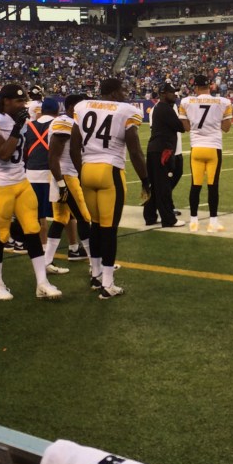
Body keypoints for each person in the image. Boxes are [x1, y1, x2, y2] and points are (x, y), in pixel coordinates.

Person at [0, 83, 62, 302]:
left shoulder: (20, 121)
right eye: (18, 101)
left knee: (33, 230)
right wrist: (17, 126)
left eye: (24, 100)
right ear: (5, 101)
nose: (23, 105)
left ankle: (42, 283)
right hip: (0, 184)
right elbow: (4, 153)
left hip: (21, 181)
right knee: (1, 236)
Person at [70, 78, 149, 300]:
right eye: (123, 89)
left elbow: (74, 145)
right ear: (114, 93)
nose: (126, 93)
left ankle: (95, 276)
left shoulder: (83, 106)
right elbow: (134, 150)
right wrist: (145, 179)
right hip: (110, 171)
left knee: (95, 226)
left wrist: (80, 171)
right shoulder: (126, 111)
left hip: (87, 170)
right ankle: (108, 284)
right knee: (109, 229)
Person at [179, 74, 233, 233]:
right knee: (213, 186)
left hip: (196, 148)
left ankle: (194, 221)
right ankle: (212, 222)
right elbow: (227, 127)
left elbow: (185, 126)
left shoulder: (186, 101)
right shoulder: (223, 102)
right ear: (210, 86)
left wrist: (196, 127)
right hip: (213, 148)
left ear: (195, 87)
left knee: (195, 185)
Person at [46, 93, 92, 269]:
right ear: (73, 106)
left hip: (64, 175)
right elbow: (53, 157)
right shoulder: (64, 122)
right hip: (66, 176)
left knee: (61, 218)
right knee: (84, 217)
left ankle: (46, 262)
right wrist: (61, 183)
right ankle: (96, 264)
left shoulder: (72, 122)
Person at [143, 83, 185, 229]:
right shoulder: (164, 108)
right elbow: (180, 127)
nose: (175, 95)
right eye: (172, 92)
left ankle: (150, 216)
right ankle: (168, 219)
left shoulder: (160, 108)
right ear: (163, 93)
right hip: (162, 150)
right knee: (163, 186)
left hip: (156, 149)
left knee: (156, 186)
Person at [25, 97, 59, 246]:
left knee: (37, 214)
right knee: (62, 213)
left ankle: (40, 245)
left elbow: (25, 151)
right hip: (50, 173)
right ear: (57, 111)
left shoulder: (29, 126)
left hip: (31, 172)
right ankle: (69, 246)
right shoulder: (57, 125)